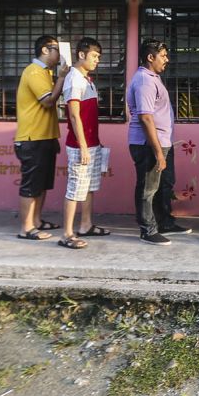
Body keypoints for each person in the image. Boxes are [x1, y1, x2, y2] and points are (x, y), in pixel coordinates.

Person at [128, 39, 190, 245]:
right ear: (150, 57)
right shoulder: (145, 81)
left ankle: (164, 222)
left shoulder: (152, 77)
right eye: (163, 56)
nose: (167, 59)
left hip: (162, 141)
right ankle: (148, 229)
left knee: (165, 183)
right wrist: (157, 152)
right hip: (148, 144)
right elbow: (145, 118)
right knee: (148, 187)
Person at [14, 35, 68, 241]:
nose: (60, 55)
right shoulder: (34, 71)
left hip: (45, 136)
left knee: (43, 183)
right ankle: (26, 227)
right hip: (32, 138)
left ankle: (36, 221)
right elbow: (48, 101)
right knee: (31, 184)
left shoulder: (46, 73)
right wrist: (62, 77)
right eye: (56, 49)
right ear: (45, 50)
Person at [58, 37, 109, 249]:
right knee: (75, 188)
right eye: (94, 56)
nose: (97, 60)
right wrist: (83, 145)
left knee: (89, 187)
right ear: (81, 55)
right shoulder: (74, 79)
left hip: (92, 143)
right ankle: (67, 233)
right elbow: (74, 116)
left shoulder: (87, 80)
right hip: (81, 145)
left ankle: (86, 224)